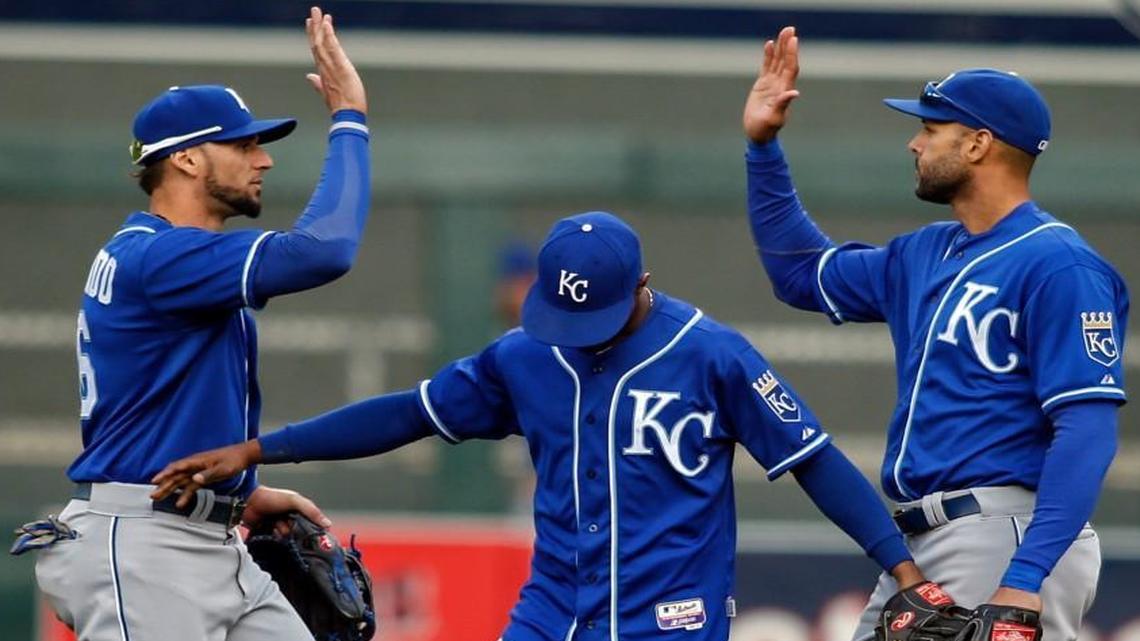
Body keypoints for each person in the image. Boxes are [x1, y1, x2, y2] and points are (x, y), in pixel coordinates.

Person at [152, 210, 933, 641]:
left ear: (643, 286)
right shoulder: (526, 355)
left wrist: (902, 569)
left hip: (670, 624)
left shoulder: (713, 355)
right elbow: (407, 413)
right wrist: (261, 447)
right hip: (550, 612)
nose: (577, 327)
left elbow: (815, 459)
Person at [742, 27, 1127, 641]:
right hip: (927, 546)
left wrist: (1024, 576)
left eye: (931, 128)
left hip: (1006, 535)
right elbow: (798, 274)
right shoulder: (926, 253)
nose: (914, 142)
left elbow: (1087, 430)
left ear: (978, 144)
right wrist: (763, 149)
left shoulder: (1060, 266)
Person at [23, 7, 371, 641]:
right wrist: (350, 118)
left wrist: (243, 493)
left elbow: (172, 398)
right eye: (242, 144)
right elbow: (325, 250)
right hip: (146, 550)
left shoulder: (160, 254)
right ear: (184, 160)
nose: (261, 159)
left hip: (202, 535)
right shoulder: (163, 259)